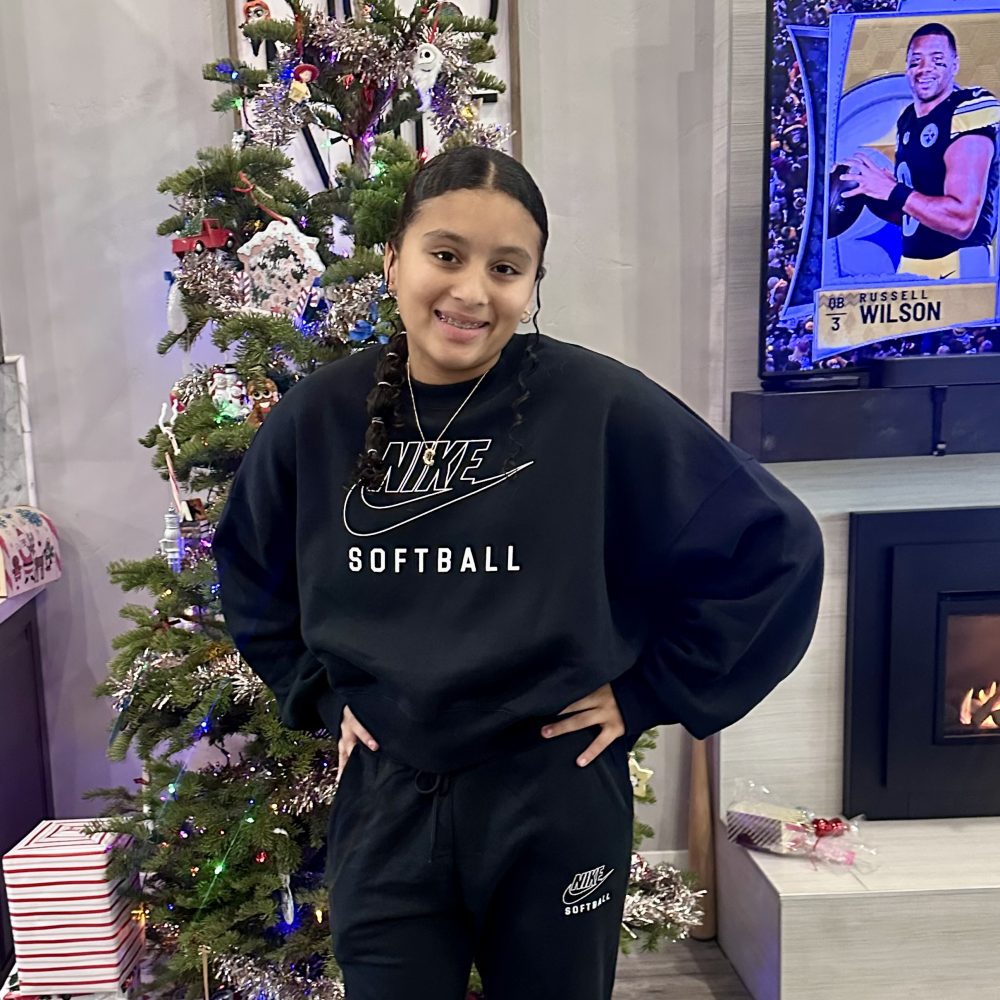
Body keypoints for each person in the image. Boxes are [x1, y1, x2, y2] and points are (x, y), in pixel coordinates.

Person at [212, 146, 824, 999]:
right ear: (393, 260)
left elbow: (776, 547)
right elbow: (247, 565)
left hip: (554, 797)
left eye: (506, 268)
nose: (472, 291)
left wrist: (651, 691)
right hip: (389, 804)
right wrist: (316, 693)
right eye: (446, 254)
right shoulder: (319, 416)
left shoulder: (601, 406)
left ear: (533, 284)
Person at [841, 21, 1000, 279]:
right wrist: (873, 192)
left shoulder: (967, 109)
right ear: (907, 68)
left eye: (937, 60)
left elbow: (961, 221)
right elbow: (916, 215)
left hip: (960, 263)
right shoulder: (908, 120)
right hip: (913, 262)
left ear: (955, 65)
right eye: (916, 61)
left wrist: (894, 190)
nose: (925, 68)